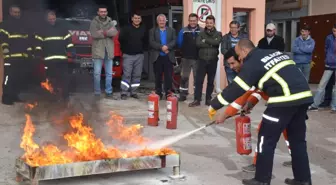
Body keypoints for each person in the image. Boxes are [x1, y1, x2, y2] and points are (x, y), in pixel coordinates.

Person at [209, 39, 313, 185]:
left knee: (266, 140)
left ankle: (262, 180)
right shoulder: (273, 53)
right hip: (303, 98)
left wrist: (215, 105)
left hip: (283, 101)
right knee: (298, 142)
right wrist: (250, 102)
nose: (239, 59)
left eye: (239, 55)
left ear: (245, 51)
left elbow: (237, 88)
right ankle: (303, 179)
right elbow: (267, 83)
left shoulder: (253, 61)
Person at [223, 48, 293, 173]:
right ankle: (296, 158)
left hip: (282, 102)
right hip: (293, 101)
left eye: (233, 63)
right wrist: (250, 104)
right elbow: (258, 90)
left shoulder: (251, 70)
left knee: (264, 133)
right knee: (290, 131)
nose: (231, 67)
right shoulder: (259, 64)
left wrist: (224, 114)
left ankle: (259, 165)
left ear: (241, 58)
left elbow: (242, 96)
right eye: (229, 65)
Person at [34, 10, 74, 103]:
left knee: (64, 79)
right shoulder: (41, 30)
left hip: (62, 59)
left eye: (53, 18)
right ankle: (52, 98)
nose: (52, 20)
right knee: (52, 79)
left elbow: (69, 42)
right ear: (46, 19)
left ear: (55, 18)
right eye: (50, 19)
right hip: (49, 60)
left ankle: (65, 97)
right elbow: (38, 44)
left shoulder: (62, 29)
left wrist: (71, 51)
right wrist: (38, 54)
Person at [0, 5, 32, 105]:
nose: (17, 14)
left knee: (18, 78)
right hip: (10, 57)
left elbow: (27, 40)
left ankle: (14, 96)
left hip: (21, 57)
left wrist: (29, 52)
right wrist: (5, 49)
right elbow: (3, 38)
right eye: (15, 12)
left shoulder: (22, 25)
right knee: (8, 78)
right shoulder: (5, 24)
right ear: (10, 12)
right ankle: (6, 98)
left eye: (18, 12)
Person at [189, 15, 222, 107]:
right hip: (202, 60)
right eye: (207, 23)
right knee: (199, 81)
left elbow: (216, 43)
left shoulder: (218, 34)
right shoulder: (200, 33)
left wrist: (206, 40)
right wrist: (211, 42)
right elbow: (198, 44)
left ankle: (208, 99)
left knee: (210, 81)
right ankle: (197, 100)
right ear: (205, 23)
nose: (209, 24)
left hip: (213, 60)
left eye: (211, 23)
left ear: (214, 23)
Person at [89, 5, 118, 98]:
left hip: (109, 51)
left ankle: (108, 91)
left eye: (105, 11)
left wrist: (102, 32)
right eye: (101, 11)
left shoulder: (110, 21)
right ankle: (97, 92)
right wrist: (107, 32)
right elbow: (94, 34)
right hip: (98, 52)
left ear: (107, 12)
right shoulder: (94, 22)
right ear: (98, 13)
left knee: (109, 73)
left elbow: (114, 32)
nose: (103, 13)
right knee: (97, 73)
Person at [308, 24, 336, 113]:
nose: (335, 33)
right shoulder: (329, 38)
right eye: (334, 31)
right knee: (321, 85)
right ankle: (315, 105)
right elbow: (326, 49)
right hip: (329, 65)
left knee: (335, 88)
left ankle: (334, 107)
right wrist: (327, 58)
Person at [119, 12, 147, 100]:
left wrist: (142, 49)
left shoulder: (143, 28)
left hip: (139, 55)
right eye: (135, 18)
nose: (137, 20)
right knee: (126, 74)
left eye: (139, 18)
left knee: (137, 74)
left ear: (141, 19)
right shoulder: (126, 28)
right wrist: (125, 50)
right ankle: (124, 92)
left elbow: (146, 40)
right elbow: (121, 40)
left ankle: (134, 92)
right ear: (132, 19)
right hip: (128, 55)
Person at [149, 14, 176, 100]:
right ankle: (158, 93)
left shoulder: (172, 30)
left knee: (168, 76)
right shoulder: (152, 31)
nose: (162, 22)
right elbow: (152, 42)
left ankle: (168, 93)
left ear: (166, 21)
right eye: (160, 20)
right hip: (157, 57)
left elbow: (174, 41)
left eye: (163, 20)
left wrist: (167, 47)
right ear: (157, 22)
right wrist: (162, 47)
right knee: (158, 76)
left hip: (168, 56)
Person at [176, 13, 203, 101]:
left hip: (198, 59)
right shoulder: (183, 31)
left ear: (197, 20)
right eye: (191, 20)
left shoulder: (202, 31)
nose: (192, 22)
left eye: (194, 21)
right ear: (188, 21)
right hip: (186, 58)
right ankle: (183, 95)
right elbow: (179, 43)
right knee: (184, 77)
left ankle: (197, 96)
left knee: (197, 78)